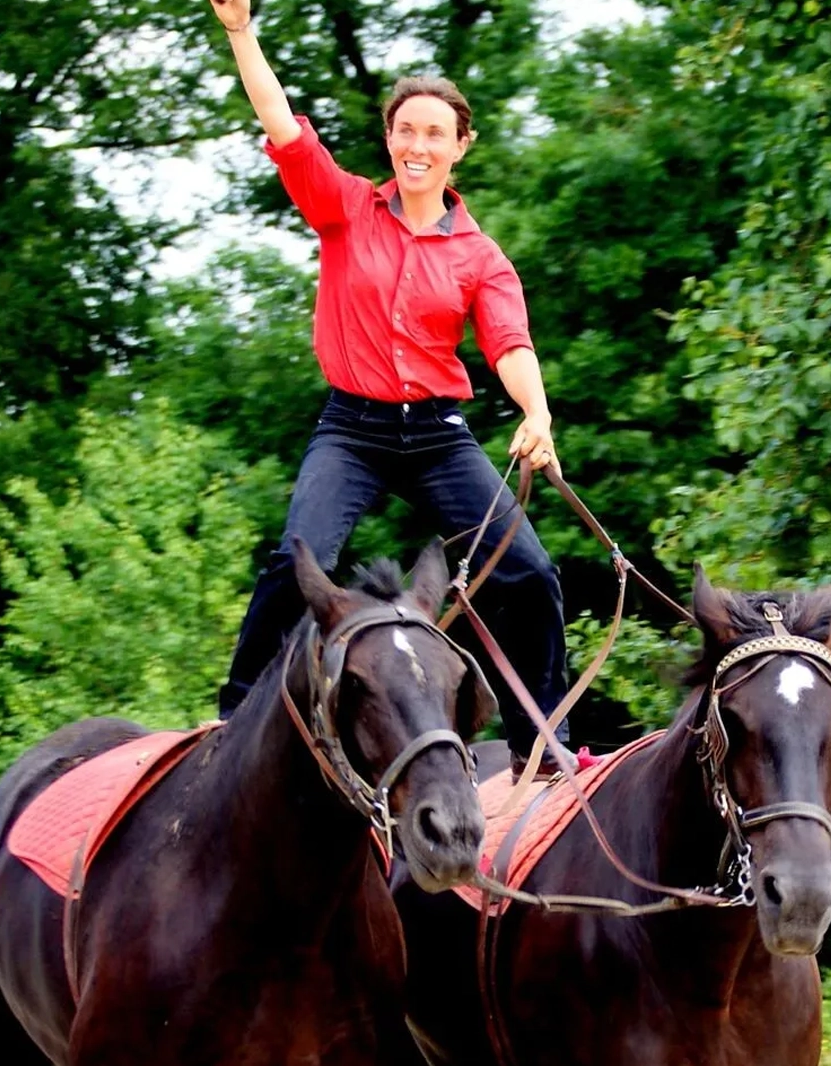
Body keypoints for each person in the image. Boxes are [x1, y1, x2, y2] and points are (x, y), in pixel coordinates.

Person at [208, 0, 573, 776]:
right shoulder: (345, 209)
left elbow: (509, 343)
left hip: (438, 434)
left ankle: (542, 740)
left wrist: (536, 413)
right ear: (389, 139)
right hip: (354, 429)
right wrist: (242, 32)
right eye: (406, 129)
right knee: (297, 559)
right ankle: (234, 717)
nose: (417, 144)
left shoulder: (480, 254)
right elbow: (283, 125)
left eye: (434, 132)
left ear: (459, 148)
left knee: (531, 573)